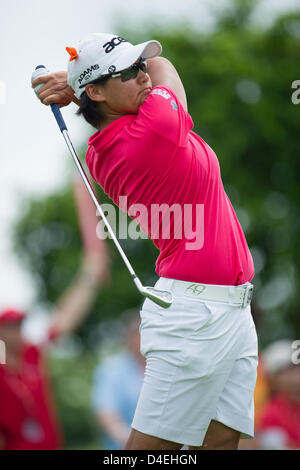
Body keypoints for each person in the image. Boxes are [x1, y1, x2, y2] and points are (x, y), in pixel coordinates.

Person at [32, 32, 258, 450]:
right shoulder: (148, 131)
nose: (141, 76)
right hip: (195, 314)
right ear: (98, 92)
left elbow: (146, 75)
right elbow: (165, 68)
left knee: (222, 438)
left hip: (231, 309)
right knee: (149, 451)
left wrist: (81, 85)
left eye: (139, 66)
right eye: (128, 72)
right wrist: (77, 83)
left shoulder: (116, 138)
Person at [0, 178, 110, 450]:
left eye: (19, 324)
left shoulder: (31, 354)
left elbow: (63, 320)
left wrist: (89, 276)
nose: (18, 331)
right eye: (11, 326)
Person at [91, 312, 145, 450]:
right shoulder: (111, 368)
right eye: (136, 334)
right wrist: (128, 440)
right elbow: (105, 411)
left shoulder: (171, 367)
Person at [255, 340, 300, 449]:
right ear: (272, 380)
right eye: (283, 372)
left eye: (295, 369)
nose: (293, 377)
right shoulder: (270, 413)